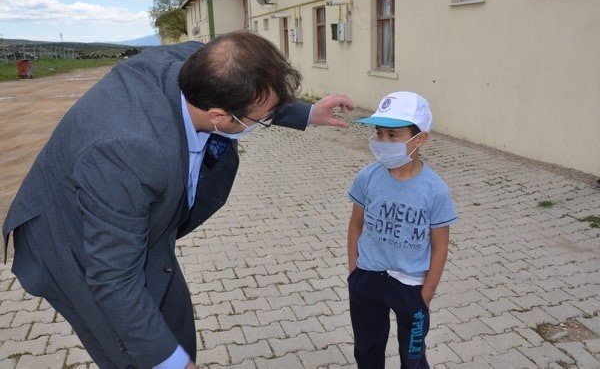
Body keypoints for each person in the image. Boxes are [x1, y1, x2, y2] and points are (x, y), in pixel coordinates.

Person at [2, 31, 354, 369]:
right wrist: (167, 361)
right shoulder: (128, 152)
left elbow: (252, 94)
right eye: (258, 120)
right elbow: (113, 279)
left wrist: (306, 113)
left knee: (174, 323)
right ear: (219, 116)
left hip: (132, 217)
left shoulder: (204, 62)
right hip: (73, 241)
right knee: (133, 349)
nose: (262, 121)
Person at [346, 91, 457, 368]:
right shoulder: (366, 178)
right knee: (367, 349)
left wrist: (426, 294)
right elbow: (356, 225)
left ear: (420, 138)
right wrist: (354, 272)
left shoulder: (436, 191)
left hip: (411, 288)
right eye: (379, 133)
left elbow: (440, 245)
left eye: (393, 136)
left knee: (413, 356)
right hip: (368, 278)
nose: (383, 142)